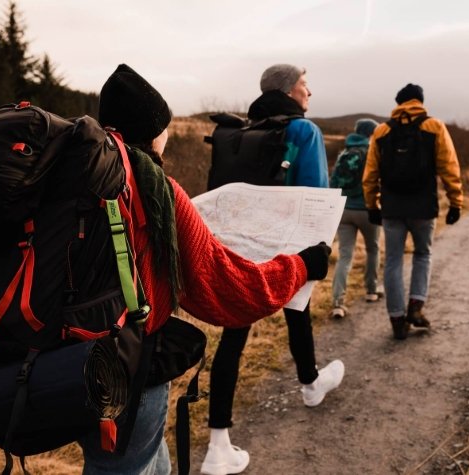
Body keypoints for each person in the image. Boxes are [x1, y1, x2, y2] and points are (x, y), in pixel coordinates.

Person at [83, 63, 332, 475]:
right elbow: (232, 291)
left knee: (152, 463)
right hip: (123, 369)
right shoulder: (154, 189)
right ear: (153, 132)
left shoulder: (79, 175)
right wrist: (302, 265)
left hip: (55, 365)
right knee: (124, 465)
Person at [200, 64, 345, 475]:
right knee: (297, 311)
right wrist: (317, 253)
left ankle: (217, 444)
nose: (309, 92)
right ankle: (311, 384)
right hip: (289, 250)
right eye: (304, 85)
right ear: (288, 90)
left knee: (234, 334)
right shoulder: (303, 131)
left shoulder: (242, 131)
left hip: (243, 250)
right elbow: (315, 197)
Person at [362, 83, 463, 340]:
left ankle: (397, 319)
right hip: (423, 207)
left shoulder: (382, 131)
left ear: (398, 103)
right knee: (422, 255)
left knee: (393, 261)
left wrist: (372, 205)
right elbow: (448, 167)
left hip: (392, 208)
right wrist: (455, 201)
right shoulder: (434, 126)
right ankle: (416, 308)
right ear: (420, 101)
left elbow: (370, 173)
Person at [329, 118, 383, 318]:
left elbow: (333, 181)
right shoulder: (372, 152)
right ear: (370, 133)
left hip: (344, 211)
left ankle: (337, 303)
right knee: (373, 249)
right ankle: (371, 290)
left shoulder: (344, 153)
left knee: (344, 256)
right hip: (367, 210)